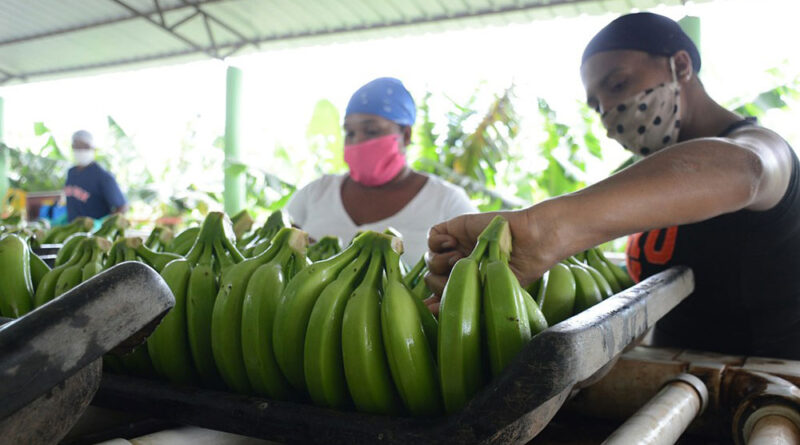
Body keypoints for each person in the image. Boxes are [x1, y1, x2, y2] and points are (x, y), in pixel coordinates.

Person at [425, 13, 800, 360]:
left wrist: (549, 230)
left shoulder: (765, 147)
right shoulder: (645, 182)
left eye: (618, 84)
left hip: (760, 395)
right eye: (597, 106)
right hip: (679, 384)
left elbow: (746, 169)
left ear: (680, 66)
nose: (608, 115)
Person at [288, 77, 477, 262]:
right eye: (350, 133)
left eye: (372, 131)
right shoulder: (316, 192)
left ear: (405, 135)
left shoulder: (447, 203)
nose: (357, 141)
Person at [63, 130, 128, 222]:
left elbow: (122, 207)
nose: (81, 150)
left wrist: (103, 226)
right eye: (77, 146)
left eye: (85, 146)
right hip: (72, 229)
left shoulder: (103, 177)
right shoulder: (71, 173)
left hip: (94, 233)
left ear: (94, 148)